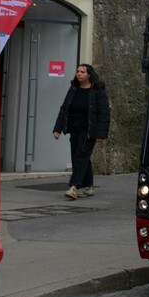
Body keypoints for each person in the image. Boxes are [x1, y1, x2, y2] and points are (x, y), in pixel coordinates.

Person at [52, 63, 111, 199]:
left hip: (89, 130)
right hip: (75, 129)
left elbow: (104, 113)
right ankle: (88, 185)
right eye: (78, 71)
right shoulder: (73, 89)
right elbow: (64, 109)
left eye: (82, 72)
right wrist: (58, 128)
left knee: (81, 156)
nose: (79, 74)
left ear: (89, 75)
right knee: (79, 157)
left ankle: (74, 187)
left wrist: (101, 134)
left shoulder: (97, 91)